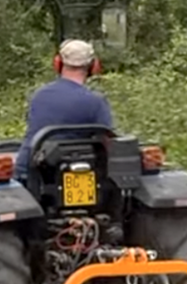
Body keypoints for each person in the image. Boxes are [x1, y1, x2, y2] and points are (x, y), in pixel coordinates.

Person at [13, 38, 115, 180]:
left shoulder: (39, 95)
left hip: (32, 172)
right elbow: (109, 142)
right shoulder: (96, 101)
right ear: (94, 65)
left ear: (58, 63)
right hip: (78, 172)